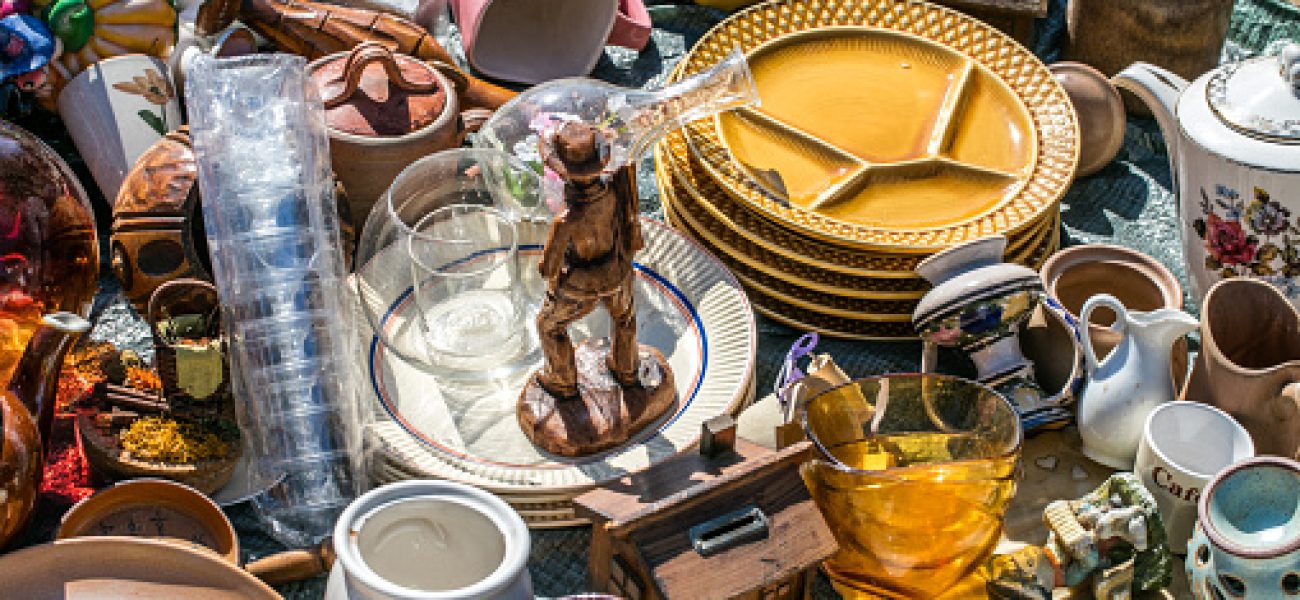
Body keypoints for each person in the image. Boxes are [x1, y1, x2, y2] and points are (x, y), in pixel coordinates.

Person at [533, 120, 644, 398]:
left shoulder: (566, 219)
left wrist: (542, 264)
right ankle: (626, 370)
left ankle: (562, 381)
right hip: (616, 272)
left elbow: (549, 269)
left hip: (579, 285)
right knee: (625, 318)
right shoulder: (613, 195)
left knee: (548, 326)